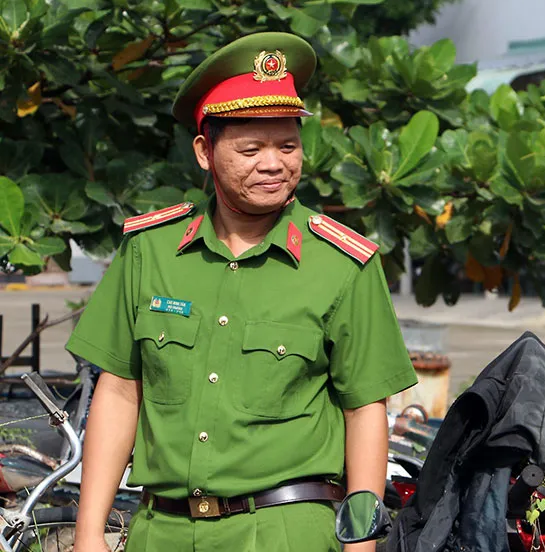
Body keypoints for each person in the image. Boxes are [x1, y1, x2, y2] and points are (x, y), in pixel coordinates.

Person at [67, 32, 418, 552]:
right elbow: (119, 390)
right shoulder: (150, 251)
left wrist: (362, 545)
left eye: (288, 146)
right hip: (160, 532)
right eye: (251, 149)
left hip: (285, 530)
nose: (274, 164)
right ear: (205, 152)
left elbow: (365, 410)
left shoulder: (343, 264)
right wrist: (88, 532)